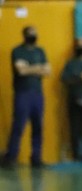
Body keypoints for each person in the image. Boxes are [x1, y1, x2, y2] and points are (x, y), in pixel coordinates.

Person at [2, 26, 51, 169]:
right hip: (22, 93)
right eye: (31, 33)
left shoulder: (40, 51)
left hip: (37, 93)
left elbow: (48, 71)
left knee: (38, 126)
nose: (33, 35)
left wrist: (30, 67)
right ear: (24, 35)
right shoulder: (17, 51)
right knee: (18, 125)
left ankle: (36, 158)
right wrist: (38, 68)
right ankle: (11, 158)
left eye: (35, 33)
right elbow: (21, 71)